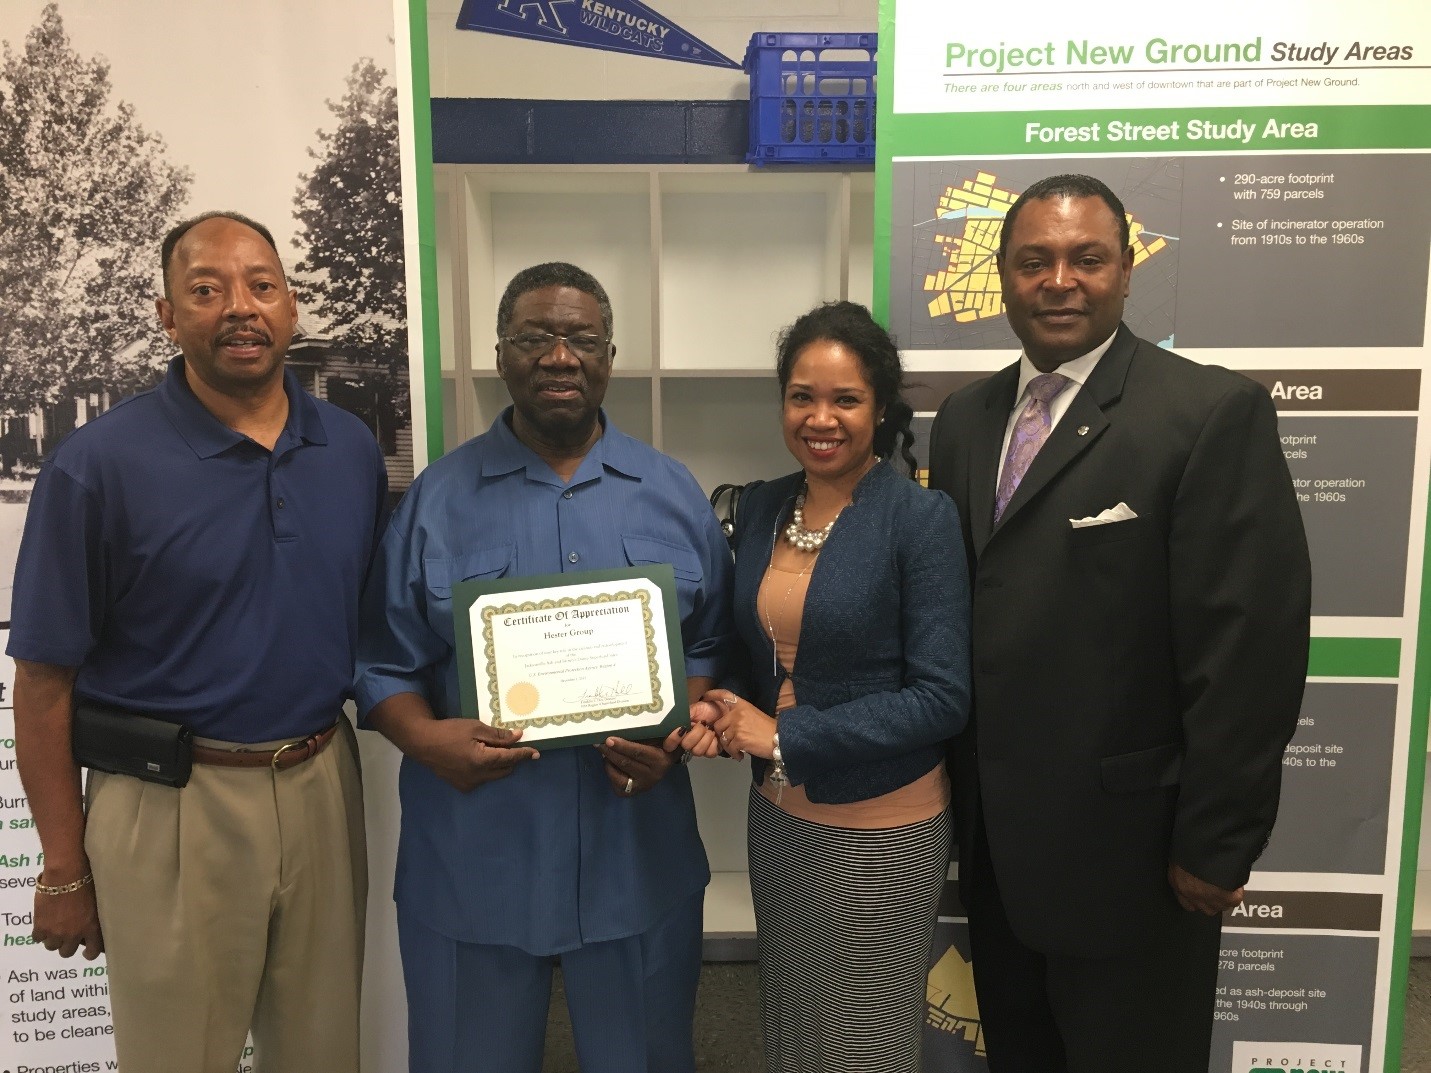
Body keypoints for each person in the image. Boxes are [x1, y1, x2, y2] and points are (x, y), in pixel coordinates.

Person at [926, 174, 1312, 1072]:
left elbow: (1247, 652)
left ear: (1126, 272)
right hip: (997, 853)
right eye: (1034, 261)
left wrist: (1217, 845)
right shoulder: (962, 421)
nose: (1059, 279)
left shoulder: (1207, 414)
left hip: (1137, 863)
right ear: (1003, 277)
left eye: (1086, 258)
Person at [9, 211, 387, 1073]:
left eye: (262, 284)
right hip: (169, 804)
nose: (239, 308)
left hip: (322, 781)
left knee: (324, 1053)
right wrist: (62, 866)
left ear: (292, 308)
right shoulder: (96, 467)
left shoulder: (350, 452)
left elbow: (372, 633)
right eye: (206, 290)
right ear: (167, 316)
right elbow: (42, 683)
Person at [355, 261, 734, 1073]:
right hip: (473, 860)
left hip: (635, 855)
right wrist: (427, 744)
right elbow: (383, 666)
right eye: (535, 337)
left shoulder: (672, 494)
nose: (559, 356)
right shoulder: (434, 500)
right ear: (501, 354)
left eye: (581, 339)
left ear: (609, 356)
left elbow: (706, 646)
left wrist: (669, 735)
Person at [684, 300, 971, 1073]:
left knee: (862, 1041)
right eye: (801, 396)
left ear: (879, 408)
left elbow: (941, 696)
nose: (821, 417)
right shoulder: (768, 502)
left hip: (880, 827)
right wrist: (721, 707)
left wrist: (781, 737)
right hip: (779, 819)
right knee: (793, 1025)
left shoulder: (918, 517)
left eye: (844, 399)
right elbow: (763, 651)